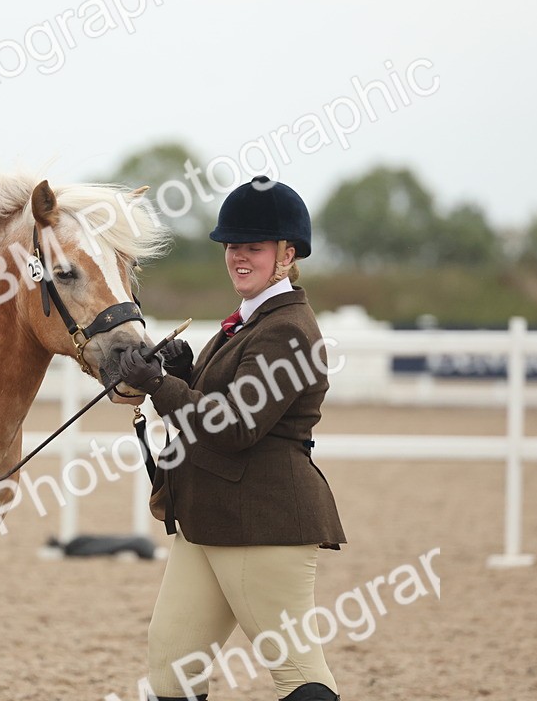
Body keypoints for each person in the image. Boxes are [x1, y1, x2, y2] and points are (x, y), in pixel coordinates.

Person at [118, 175, 346, 701]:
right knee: (172, 666)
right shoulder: (250, 322)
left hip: (262, 518)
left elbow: (237, 424)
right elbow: (222, 402)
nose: (239, 256)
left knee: (298, 672)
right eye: (232, 246)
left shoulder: (287, 329)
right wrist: (183, 372)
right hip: (209, 517)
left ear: (287, 254)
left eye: (254, 247)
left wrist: (161, 386)